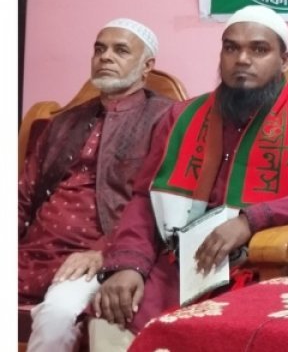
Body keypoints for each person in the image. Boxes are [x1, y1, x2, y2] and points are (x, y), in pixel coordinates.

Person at [91, 5, 288, 349]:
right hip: (177, 264)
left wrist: (252, 220)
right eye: (231, 48)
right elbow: (146, 197)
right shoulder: (181, 116)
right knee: (109, 314)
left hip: (261, 264)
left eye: (259, 49)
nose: (242, 59)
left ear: (284, 60)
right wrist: (129, 264)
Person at [18, 19, 174, 352]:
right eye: (99, 49)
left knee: (58, 314)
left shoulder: (166, 120)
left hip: (98, 257)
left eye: (120, 50)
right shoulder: (64, 121)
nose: (105, 57)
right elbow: (23, 194)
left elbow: (161, 205)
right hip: (32, 252)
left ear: (147, 66)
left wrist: (105, 250)